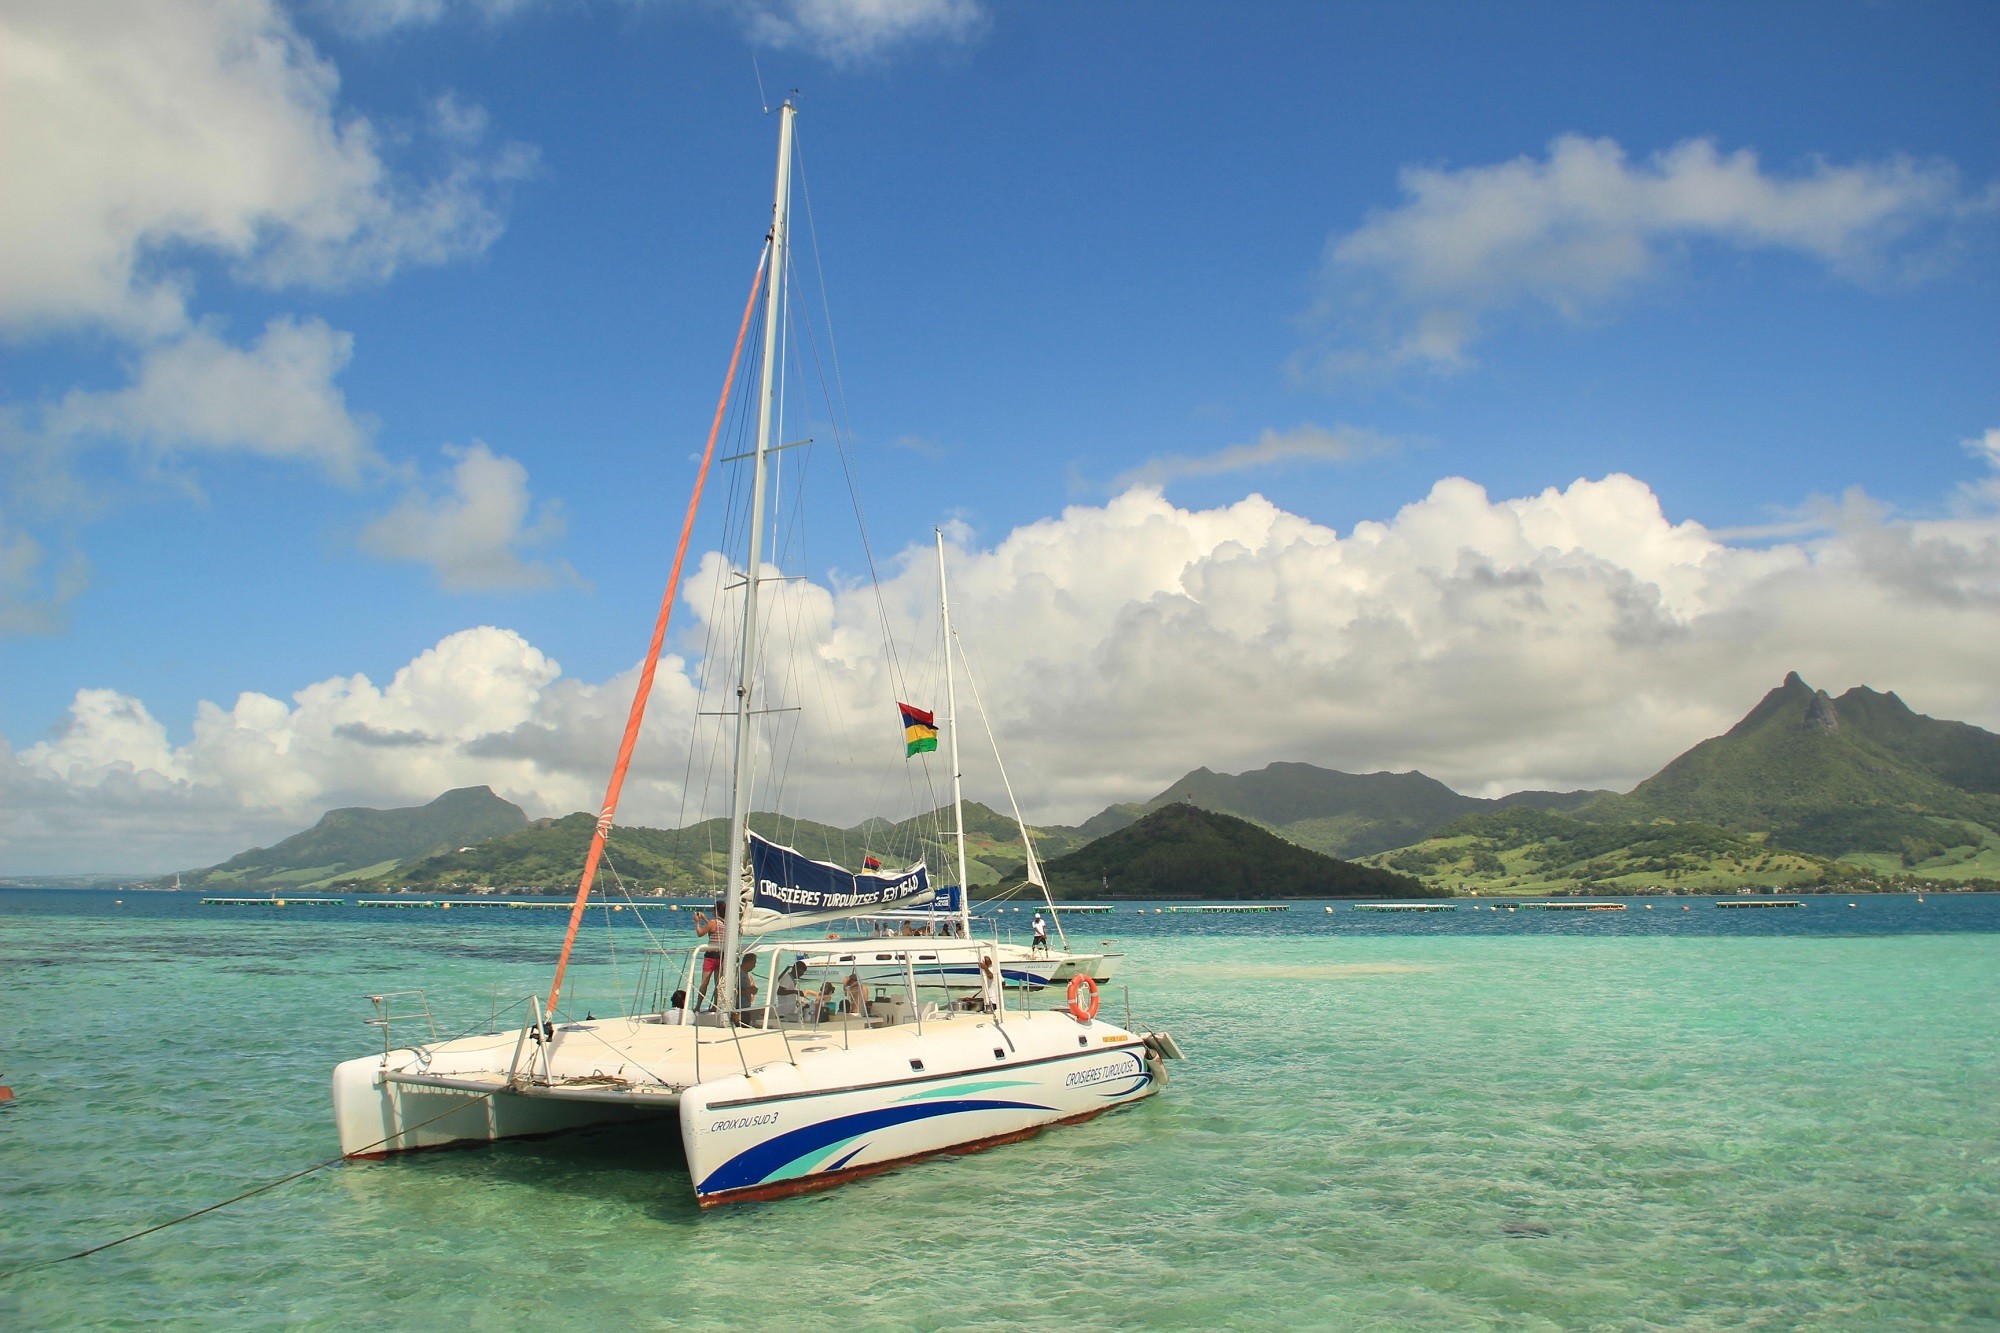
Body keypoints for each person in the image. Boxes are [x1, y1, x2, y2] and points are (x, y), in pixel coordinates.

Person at [692, 898, 726, 1009]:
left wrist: (697, 922)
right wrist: (705, 920)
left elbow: (700, 933)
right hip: (721, 956)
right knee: (718, 984)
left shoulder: (713, 922)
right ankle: (715, 1005)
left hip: (711, 957)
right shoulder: (725, 923)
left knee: (704, 983)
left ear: (716, 910)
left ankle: (698, 1006)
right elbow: (714, 929)